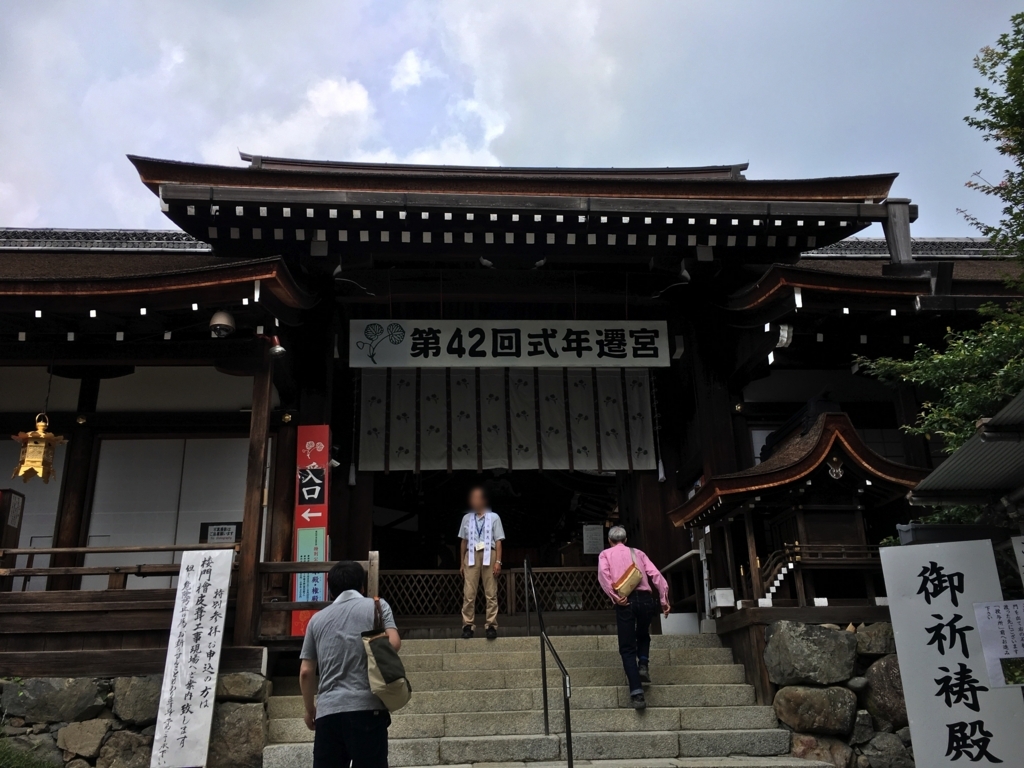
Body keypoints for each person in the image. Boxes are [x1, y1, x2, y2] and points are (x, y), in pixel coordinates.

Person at [299, 560, 401, 768]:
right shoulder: (377, 606)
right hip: (367, 708)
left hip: (328, 712)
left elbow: (306, 672)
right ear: (362, 586)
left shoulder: (316, 620)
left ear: (330, 591)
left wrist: (310, 710)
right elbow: (394, 643)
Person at [597, 526, 670, 710]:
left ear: (609, 540)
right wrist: (664, 600)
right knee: (643, 634)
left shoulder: (605, 555)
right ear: (626, 539)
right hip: (645, 600)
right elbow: (656, 575)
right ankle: (643, 663)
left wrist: (615, 597)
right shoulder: (638, 553)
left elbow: (604, 577)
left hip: (625, 602)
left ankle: (637, 693)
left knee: (627, 647)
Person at [458, 485, 505, 639]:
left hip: (489, 553)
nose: (474, 501)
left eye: (477, 497)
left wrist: (498, 561)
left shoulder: (494, 517)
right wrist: (461, 563)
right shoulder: (466, 518)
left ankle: (491, 625)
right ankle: (468, 625)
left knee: (491, 592)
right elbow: (463, 542)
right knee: (469, 593)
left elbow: (498, 541)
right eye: (472, 498)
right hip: (471, 554)